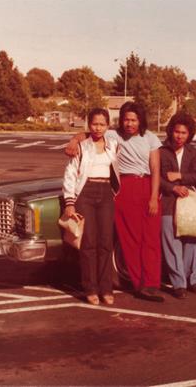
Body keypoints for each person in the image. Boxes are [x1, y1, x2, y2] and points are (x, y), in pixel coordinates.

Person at [65, 102, 164, 302]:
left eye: (134, 120)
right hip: (125, 187)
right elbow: (91, 132)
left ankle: (153, 282)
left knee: (151, 238)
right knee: (131, 239)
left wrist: (154, 196)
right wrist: (74, 140)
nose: (129, 123)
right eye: (126, 119)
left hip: (147, 186)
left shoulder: (151, 138)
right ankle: (140, 284)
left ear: (140, 120)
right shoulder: (114, 135)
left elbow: (155, 169)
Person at [62, 108, 119, 306]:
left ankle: (106, 288)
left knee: (106, 242)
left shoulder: (113, 145)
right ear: (89, 124)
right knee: (89, 243)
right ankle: (91, 288)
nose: (98, 128)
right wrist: (70, 202)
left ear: (108, 126)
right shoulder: (82, 146)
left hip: (105, 194)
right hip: (85, 193)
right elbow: (70, 174)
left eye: (102, 124)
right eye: (95, 124)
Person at [160, 112, 196, 299]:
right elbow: (158, 178)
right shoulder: (161, 151)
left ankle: (193, 279)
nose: (179, 136)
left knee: (193, 240)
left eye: (184, 133)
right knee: (172, 243)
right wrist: (173, 187)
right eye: (177, 132)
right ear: (171, 132)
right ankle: (178, 283)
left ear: (189, 135)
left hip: (189, 202)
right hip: (169, 202)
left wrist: (180, 177)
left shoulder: (193, 153)